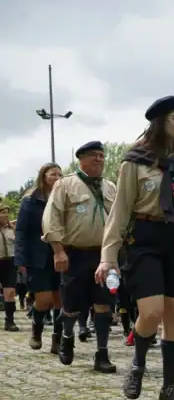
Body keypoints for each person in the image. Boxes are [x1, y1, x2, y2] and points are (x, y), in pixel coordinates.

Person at [97, 95, 174, 400]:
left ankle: (169, 386)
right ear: (160, 121)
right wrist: (108, 256)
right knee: (150, 312)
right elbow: (120, 210)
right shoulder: (134, 162)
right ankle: (137, 365)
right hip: (146, 238)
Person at [42, 141, 118, 372]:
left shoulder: (110, 187)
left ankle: (102, 354)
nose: (99, 159)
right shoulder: (66, 185)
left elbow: (120, 219)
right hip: (75, 253)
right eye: (94, 155)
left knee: (104, 304)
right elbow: (51, 218)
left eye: (102, 155)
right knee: (73, 304)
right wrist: (58, 251)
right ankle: (66, 337)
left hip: (104, 254)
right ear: (81, 159)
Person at [15, 163, 64, 352]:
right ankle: (36, 329)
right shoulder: (30, 201)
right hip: (37, 257)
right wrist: (20, 259)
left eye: (60, 174)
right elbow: (21, 231)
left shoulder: (65, 199)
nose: (57, 177)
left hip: (61, 254)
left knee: (60, 299)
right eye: (53, 174)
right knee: (44, 300)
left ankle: (58, 340)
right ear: (44, 177)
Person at [0, 204, 19, 331]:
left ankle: (9, 321)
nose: (6, 215)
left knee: (10, 292)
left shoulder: (12, 229)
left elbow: (20, 245)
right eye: (2, 212)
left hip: (10, 263)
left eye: (7, 212)